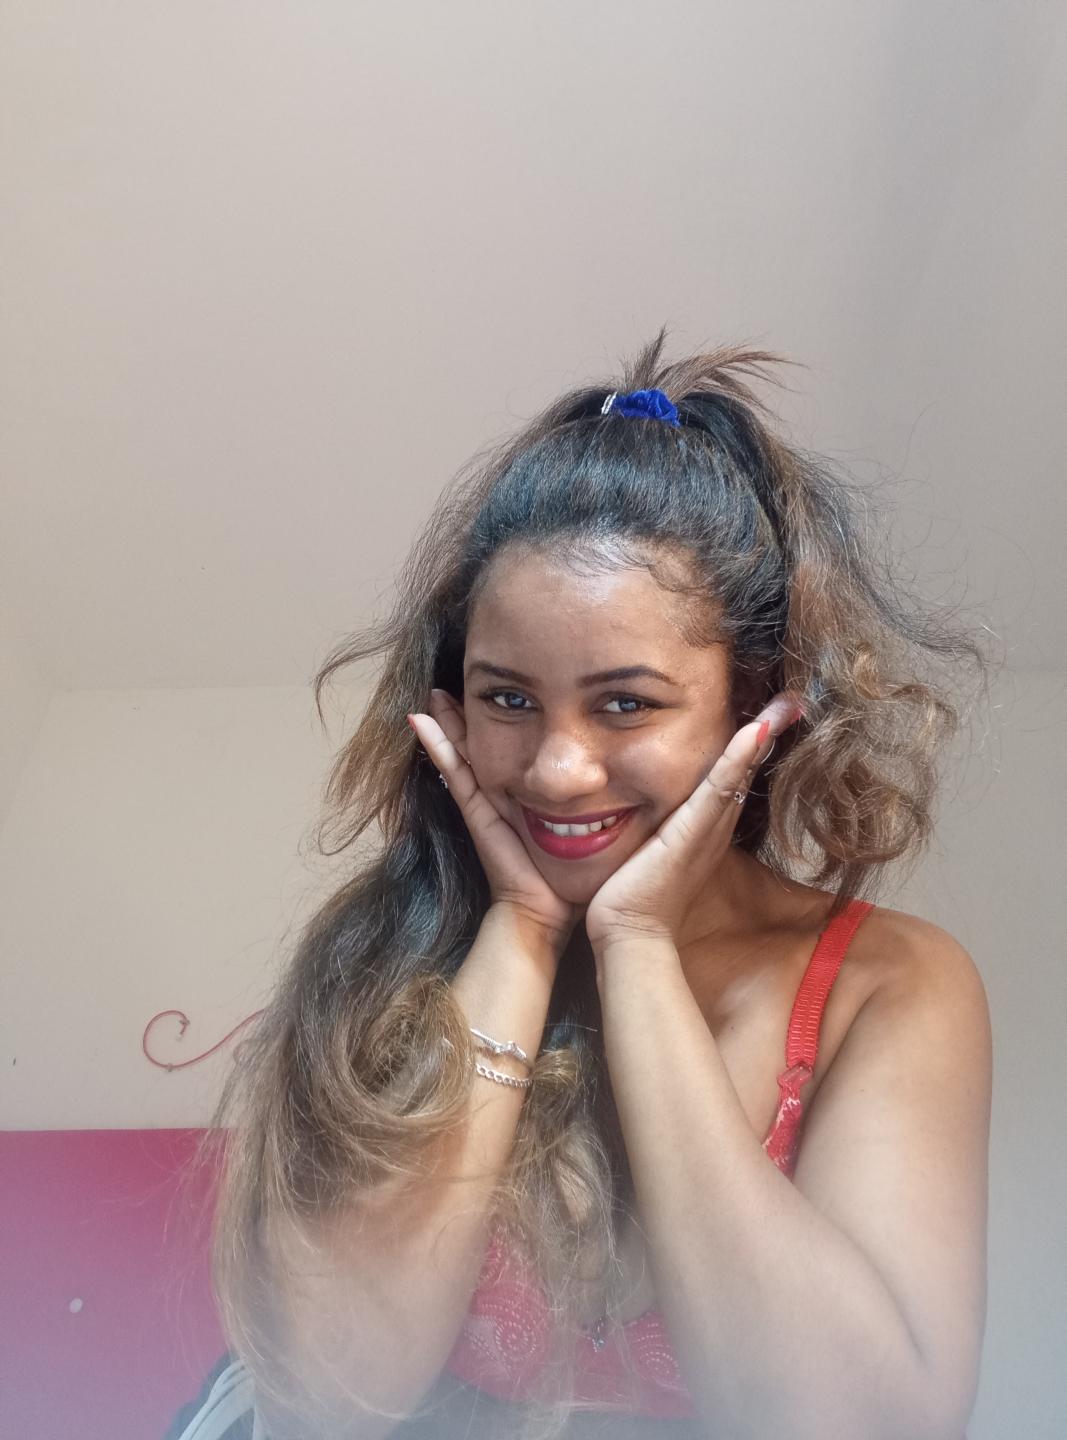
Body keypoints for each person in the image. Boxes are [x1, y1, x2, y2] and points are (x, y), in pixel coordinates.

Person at [174, 330, 991, 1440]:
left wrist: (636, 948)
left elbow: (858, 1425)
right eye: (508, 700)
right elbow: (329, 1394)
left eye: (625, 704)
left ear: (751, 703)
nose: (557, 771)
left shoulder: (886, 982)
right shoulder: (384, 952)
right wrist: (520, 931)